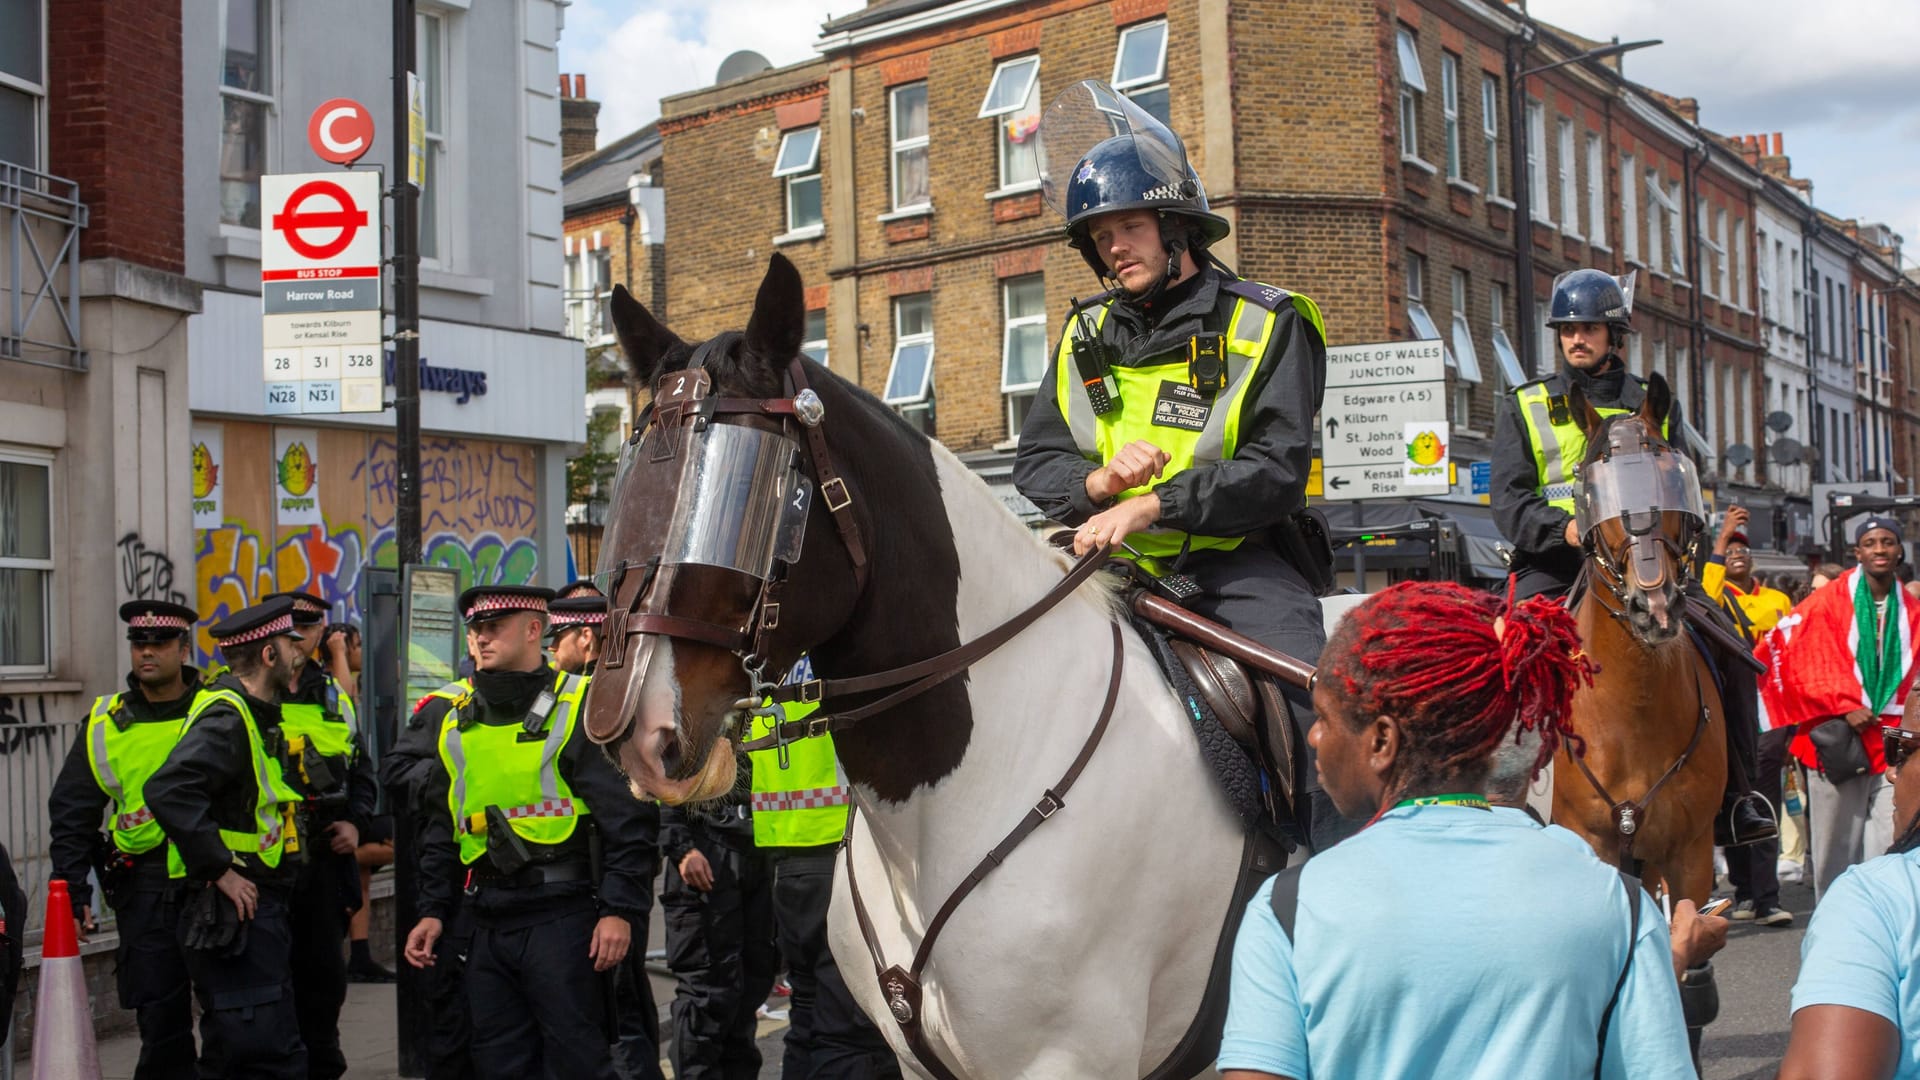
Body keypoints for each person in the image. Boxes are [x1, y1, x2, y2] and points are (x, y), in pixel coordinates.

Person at [1012, 81, 1347, 850]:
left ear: (1176, 227)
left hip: (1236, 568)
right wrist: (1096, 486)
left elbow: (1277, 470)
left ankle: (1334, 883)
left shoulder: (1268, 321)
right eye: (1099, 237)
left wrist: (1154, 505)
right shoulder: (1085, 332)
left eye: (1128, 226)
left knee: (1320, 710)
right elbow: (1037, 460)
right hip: (1110, 569)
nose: (1113, 247)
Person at [1217, 583, 1695, 1080]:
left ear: (1382, 740)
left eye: (1324, 717)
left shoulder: (1290, 908)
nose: (1314, 736)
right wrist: (1663, 967)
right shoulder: (1619, 902)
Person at [1490, 266, 1774, 848]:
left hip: (1646, 557)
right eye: (1567, 328)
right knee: (1502, 654)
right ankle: (1497, 795)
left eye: (1589, 327)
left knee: (1732, 648)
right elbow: (1509, 501)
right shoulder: (1526, 403)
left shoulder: (1651, 404)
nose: (1576, 339)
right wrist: (1565, 529)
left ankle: (1740, 796)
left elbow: (1676, 484)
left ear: (1614, 333)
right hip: (1558, 558)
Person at [402, 585, 657, 1080]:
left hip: (561, 918)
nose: (481, 639)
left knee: (578, 1062)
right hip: (486, 921)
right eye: (475, 630)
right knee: (498, 1063)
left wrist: (620, 912)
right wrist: (433, 911)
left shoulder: (578, 707)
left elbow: (629, 822)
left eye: (493, 627)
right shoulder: (454, 724)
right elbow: (441, 829)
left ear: (534, 630)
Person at [147, 597, 311, 1078]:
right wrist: (220, 869)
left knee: (237, 1053)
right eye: (289, 645)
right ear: (268, 655)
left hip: (257, 912)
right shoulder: (228, 717)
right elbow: (168, 789)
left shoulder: (252, 713)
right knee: (264, 1056)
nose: (298, 653)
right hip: (235, 915)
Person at [45, 600, 204, 1079]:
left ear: (183, 649)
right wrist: (74, 890)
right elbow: (72, 811)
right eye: (139, 644)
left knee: (233, 1014)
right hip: (147, 887)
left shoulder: (215, 709)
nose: (147, 653)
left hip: (214, 878)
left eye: (159, 644)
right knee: (159, 1016)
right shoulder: (105, 721)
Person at [748, 660, 900, 1080]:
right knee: (853, 1030)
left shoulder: (765, 666)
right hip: (845, 854)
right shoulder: (838, 650)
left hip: (788, 859)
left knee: (808, 1011)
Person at [1763, 517, 1920, 902]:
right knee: (1835, 857)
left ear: (1899, 550)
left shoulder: (1913, 609)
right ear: (1858, 552)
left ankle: (1883, 937)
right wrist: (1844, 703)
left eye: (1887, 542)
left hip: (1893, 750)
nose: (1880, 550)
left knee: (1892, 849)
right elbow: (1800, 657)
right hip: (1840, 745)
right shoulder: (1828, 601)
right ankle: (1834, 934)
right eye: (1871, 543)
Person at [547, 590, 666, 1080]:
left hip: (604, 889)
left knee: (617, 1020)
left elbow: (630, 814)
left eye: (558, 640)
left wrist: (619, 908)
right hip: (598, 891)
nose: (554, 653)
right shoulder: (623, 694)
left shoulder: (596, 704)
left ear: (585, 637)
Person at [1777, 694, 1920, 1079]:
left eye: (1904, 750)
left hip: (1875, 734)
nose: (1896, 771)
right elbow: (1807, 662)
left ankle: (1739, 792)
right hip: (1837, 733)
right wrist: (1842, 701)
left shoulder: (1872, 896)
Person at [264, 590, 372, 1080]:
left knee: (324, 981)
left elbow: (361, 774)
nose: (298, 641)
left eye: (307, 631)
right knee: (267, 988)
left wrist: (355, 822)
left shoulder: (333, 698)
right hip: (264, 868)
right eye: (289, 631)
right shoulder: (237, 695)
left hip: (324, 860)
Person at [1699, 509, 1797, 927]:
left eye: (1744, 549)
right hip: (1730, 705)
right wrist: (1720, 539)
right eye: (1730, 551)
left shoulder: (1777, 601)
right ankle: (1742, 889)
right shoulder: (1716, 594)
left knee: (1763, 795)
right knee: (1732, 793)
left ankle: (1767, 899)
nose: (1738, 555)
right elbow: (1702, 590)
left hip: (1772, 708)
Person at [662, 756, 777, 1080]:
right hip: (705, 852)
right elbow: (662, 776)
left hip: (756, 853)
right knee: (707, 997)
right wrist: (682, 848)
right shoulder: (690, 708)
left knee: (748, 991)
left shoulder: (756, 714)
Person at [547, 594, 607, 676]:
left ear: (586, 637)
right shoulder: (610, 678)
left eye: (558, 637)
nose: (551, 647)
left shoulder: (604, 685)